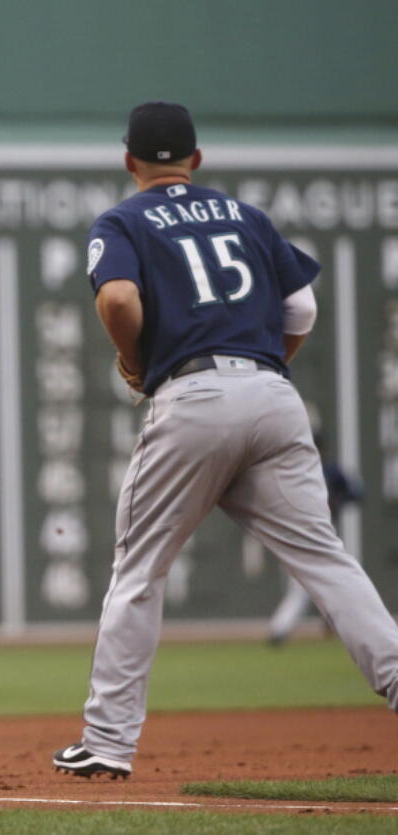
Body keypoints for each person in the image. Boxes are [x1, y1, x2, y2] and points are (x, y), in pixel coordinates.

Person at [52, 102, 398, 779]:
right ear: (196, 160)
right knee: (326, 560)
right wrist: (265, 366)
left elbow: (119, 300)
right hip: (273, 393)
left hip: (192, 395)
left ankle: (108, 740)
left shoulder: (123, 219)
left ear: (129, 162)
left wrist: (134, 362)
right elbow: (302, 308)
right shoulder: (246, 216)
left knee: (138, 571)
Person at [267, 430, 365, 645]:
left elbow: (357, 493)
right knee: (303, 586)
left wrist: (337, 499)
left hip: (326, 532)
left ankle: (285, 628)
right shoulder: (296, 470)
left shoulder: (330, 470)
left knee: (334, 581)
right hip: (300, 533)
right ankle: (281, 629)